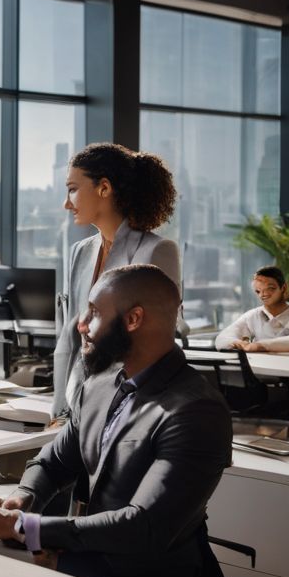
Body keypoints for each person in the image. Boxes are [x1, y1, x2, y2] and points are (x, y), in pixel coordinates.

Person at [0, 264, 231, 577]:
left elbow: (142, 528)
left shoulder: (194, 410)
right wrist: (21, 501)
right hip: (92, 551)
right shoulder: (99, 384)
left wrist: (22, 528)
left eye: (94, 312)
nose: (80, 325)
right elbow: (52, 462)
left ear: (133, 319)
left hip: (151, 572)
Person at [52, 143, 180, 419]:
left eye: (73, 189)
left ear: (104, 188)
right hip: (78, 405)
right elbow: (68, 337)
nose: (66, 203)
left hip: (130, 406)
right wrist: (59, 411)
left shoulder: (156, 251)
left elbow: (162, 337)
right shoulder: (80, 252)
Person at [214, 266, 289, 352]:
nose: (263, 295)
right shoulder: (253, 315)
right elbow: (222, 339)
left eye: (270, 288)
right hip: (262, 373)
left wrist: (258, 346)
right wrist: (241, 343)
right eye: (258, 291)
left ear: (283, 288)